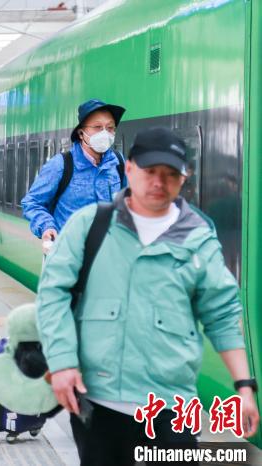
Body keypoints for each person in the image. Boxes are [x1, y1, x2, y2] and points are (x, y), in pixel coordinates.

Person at [36, 127, 259, 466]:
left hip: (171, 407)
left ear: (184, 178)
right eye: (150, 170)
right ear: (129, 169)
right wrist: (63, 362)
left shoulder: (199, 237)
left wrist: (244, 386)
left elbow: (222, 315)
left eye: (170, 174)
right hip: (99, 403)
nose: (159, 181)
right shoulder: (90, 225)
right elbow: (53, 294)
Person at [21, 99, 127, 253]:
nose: (105, 133)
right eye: (97, 127)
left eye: (110, 128)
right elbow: (32, 202)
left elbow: (129, 201)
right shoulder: (61, 165)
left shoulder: (118, 162)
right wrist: (46, 226)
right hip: (68, 254)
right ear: (81, 133)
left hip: (107, 254)